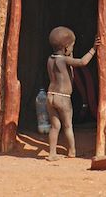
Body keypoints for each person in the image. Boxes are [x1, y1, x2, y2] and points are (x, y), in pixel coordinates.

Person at [45, 26, 99, 161]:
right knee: (68, 126)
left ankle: (52, 153)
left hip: (50, 95)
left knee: (54, 126)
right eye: (72, 46)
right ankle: (72, 151)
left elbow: (68, 70)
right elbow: (82, 62)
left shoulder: (51, 60)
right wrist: (93, 49)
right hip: (63, 98)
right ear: (66, 48)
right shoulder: (64, 60)